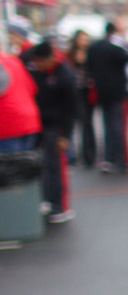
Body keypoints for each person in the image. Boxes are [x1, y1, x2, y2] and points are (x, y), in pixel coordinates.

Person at [26, 38, 79, 222]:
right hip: (41, 124)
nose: (36, 65)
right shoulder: (37, 72)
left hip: (57, 127)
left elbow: (72, 109)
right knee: (43, 165)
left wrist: (66, 135)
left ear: (48, 59)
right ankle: (48, 200)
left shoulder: (65, 76)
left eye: (39, 62)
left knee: (55, 165)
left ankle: (60, 206)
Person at [85, 19, 128, 172]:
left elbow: (89, 67)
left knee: (107, 125)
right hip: (118, 91)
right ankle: (121, 159)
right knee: (118, 126)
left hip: (101, 91)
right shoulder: (116, 48)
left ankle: (108, 158)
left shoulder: (94, 48)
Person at [65, 30, 98, 169]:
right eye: (81, 39)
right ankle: (76, 153)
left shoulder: (91, 53)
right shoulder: (69, 55)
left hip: (87, 91)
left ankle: (90, 154)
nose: (84, 42)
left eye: (86, 39)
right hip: (74, 91)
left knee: (87, 122)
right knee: (78, 121)